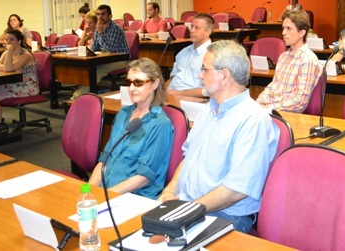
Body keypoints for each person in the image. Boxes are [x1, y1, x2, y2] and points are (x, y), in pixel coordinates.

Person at [158, 40, 279, 233]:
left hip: (226, 215)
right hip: (190, 205)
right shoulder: (208, 110)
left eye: (205, 70)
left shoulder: (252, 120)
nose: (199, 75)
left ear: (224, 76)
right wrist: (171, 190)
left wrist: (188, 209)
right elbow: (188, 157)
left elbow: (236, 190)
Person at [89, 58, 174, 199]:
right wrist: (90, 191)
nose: (132, 88)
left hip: (134, 197)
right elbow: (105, 160)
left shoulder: (160, 124)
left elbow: (143, 178)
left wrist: (106, 196)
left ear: (155, 83)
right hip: (108, 192)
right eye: (129, 82)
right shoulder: (123, 114)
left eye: (139, 83)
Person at [257, 10, 322, 113]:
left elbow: (299, 102)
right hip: (271, 110)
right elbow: (273, 86)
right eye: (283, 28)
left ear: (302, 32)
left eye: (289, 29)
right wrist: (258, 104)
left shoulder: (308, 60)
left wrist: (268, 108)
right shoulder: (283, 56)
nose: (283, 33)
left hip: (286, 115)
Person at [64, 4, 130, 105]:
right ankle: (82, 96)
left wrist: (100, 33)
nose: (100, 17)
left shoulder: (115, 29)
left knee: (96, 71)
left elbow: (110, 49)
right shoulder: (98, 29)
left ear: (110, 16)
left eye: (103, 14)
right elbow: (95, 47)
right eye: (98, 14)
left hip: (120, 60)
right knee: (87, 69)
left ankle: (75, 99)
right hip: (106, 59)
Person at [0, 29, 39, 122]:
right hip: (13, 83)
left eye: (11, 40)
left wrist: (9, 52)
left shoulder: (25, 55)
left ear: (19, 41)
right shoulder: (6, 53)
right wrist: (7, 65)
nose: (8, 42)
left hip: (27, 86)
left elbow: (8, 68)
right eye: (6, 40)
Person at [166, 13, 213, 98]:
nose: (191, 30)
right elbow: (173, 78)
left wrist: (176, 94)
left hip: (190, 99)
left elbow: (208, 91)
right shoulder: (183, 52)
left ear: (208, 32)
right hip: (170, 95)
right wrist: (161, 92)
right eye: (191, 26)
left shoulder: (212, 55)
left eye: (197, 28)